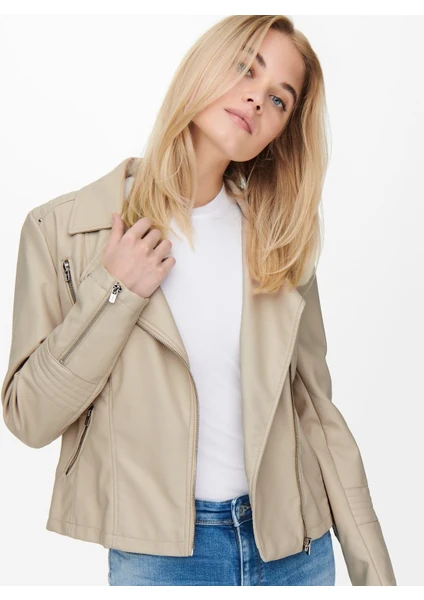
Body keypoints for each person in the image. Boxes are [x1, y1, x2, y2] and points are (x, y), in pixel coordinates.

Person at [1, 15, 396, 586]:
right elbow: (29, 417)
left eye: (279, 99)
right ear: (203, 66)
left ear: (281, 132)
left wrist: (378, 577)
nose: (257, 99)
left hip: (295, 551)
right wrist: (115, 291)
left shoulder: (276, 240)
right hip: (160, 562)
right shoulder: (64, 231)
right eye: (246, 69)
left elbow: (316, 412)